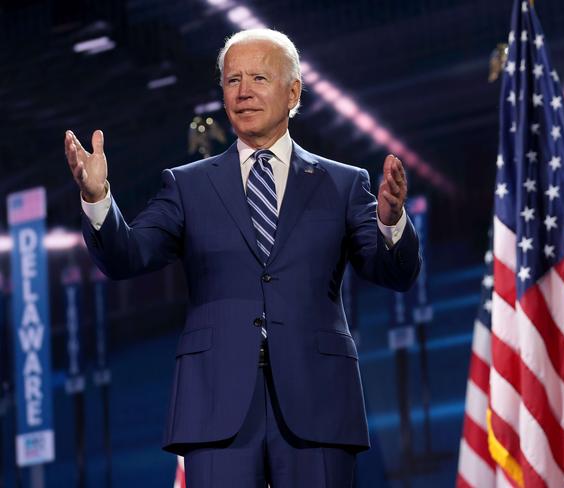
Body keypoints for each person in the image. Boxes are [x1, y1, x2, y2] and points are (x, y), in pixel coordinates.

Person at [64, 28, 420, 488]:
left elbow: (394, 272)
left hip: (319, 401)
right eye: (233, 80)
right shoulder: (186, 185)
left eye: (259, 78)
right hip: (215, 405)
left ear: (293, 92)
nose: (244, 91)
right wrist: (97, 200)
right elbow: (127, 255)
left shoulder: (343, 183)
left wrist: (391, 222)